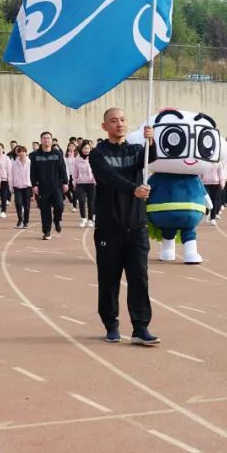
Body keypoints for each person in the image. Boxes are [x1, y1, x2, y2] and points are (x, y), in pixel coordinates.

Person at [89, 107, 159, 346]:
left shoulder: (136, 150)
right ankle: (111, 324)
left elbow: (151, 160)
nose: (119, 124)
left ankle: (141, 328)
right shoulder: (98, 154)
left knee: (139, 277)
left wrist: (152, 142)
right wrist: (133, 189)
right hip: (109, 228)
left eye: (122, 119)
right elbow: (108, 177)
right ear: (104, 126)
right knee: (109, 279)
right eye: (113, 121)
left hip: (137, 227)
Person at [30, 131, 69, 240]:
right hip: (42, 187)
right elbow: (33, 171)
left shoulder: (57, 153)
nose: (46, 140)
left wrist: (65, 182)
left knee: (59, 205)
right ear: (41, 140)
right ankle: (46, 231)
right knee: (45, 210)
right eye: (44, 138)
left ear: (51, 140)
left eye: (48, 138)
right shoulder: (36, 155)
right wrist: (34, 185)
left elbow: (62, 168)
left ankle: (57, 220)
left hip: (56, 186)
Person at [73, 140, 97, 228]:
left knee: (91, 202)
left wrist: (95, 180)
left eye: (88, 148)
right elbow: (75, 172)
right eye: (84, 148)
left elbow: (96, 171)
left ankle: (90, 219)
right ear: (81, 149)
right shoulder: (77, 159)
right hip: (80, 183)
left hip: (91, 183)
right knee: (82, 201)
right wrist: (74, 183)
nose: (86, 150)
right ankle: (83, 218)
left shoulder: (93, 158)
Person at [10, 145, 34, 228]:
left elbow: (33, 175)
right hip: (17, 187)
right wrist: (11, 186)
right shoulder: (14, 163)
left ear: (26, 153)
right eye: (19, 152)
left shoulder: (30, 162)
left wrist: (33, 186)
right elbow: (11, 175)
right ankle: (20, 219)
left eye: (23, 152)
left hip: (27, 186)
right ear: (17, 153)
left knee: (27, 205)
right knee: (18, 203)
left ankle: (26, 222)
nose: (21, 153)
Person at [0, 143, 12, 219]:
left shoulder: (6, 158)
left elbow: (9, 169)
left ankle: (3, 211)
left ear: (3, 149)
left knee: (4, 196)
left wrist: (9, 179)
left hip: (4, 180)